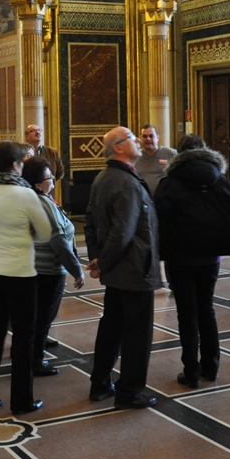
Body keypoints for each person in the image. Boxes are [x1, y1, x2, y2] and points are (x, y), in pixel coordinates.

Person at [154, 134, 230, 388]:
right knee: (206, 309)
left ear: (179, 155)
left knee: (187, 314)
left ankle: (191, 372)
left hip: (180, 257)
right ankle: (211, 366)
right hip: (211, 256)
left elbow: (156, 219)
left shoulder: (170, 183)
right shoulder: (220, 179)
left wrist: (154, 254)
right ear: (205, 151)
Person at [0, 142, 53, 415]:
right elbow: (45, 233)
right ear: (16, 165)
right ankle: (22, 400)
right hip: (18, 272)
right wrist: (26, 230)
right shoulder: (25, 194)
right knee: (24, 336)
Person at [85, 126, 161, 410]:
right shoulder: (126, 182)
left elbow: (90, 221)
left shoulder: (103, 177)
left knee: (112, 328)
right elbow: (123, 231)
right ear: (118, 147)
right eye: (131, 137)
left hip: (117, 269)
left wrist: (98, 259)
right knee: (137, 334)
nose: (139, 140)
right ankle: (129, 392)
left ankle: (100, 384)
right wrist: (102, 262)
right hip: (134, 269)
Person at [22, 157, 84, 377]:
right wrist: (76, 270)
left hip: (35, 267)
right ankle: (35, 362)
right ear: (39, 184)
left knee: (37, 316)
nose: (53, 180)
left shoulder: (29, 199)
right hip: (48, 270)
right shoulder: (44, 203)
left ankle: (31, 356)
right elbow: (58, 240)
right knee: (43, 317)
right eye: (49, 177)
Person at [135, 124, 176, 195]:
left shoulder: (171, 153)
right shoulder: (136, 155)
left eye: (151, 136)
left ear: (157, 137)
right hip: (142, 198)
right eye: (144, 136)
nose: (148, 139)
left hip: (165, 198)